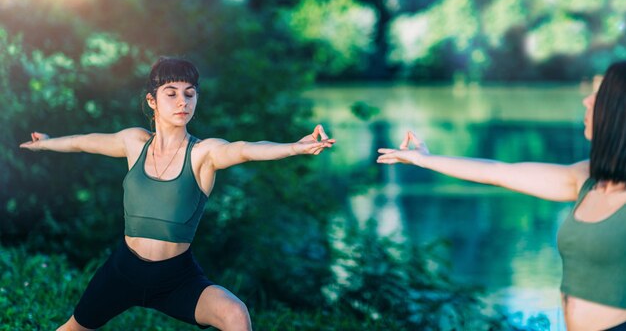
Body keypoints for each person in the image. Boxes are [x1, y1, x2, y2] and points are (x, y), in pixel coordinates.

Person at [20, 57, 335, 331]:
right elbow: (83, 141)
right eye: (171, 94)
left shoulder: (203, 154)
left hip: (176, 278)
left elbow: (246, 150)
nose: (183, 101)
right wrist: (46, 142)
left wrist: (295, 147)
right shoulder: (134, 143)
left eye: (190, 93)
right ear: (152, 101)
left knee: (234, 313)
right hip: (123, 270)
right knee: (73, 328)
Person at [377, 63, 626, 331]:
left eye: (599, 95)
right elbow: (499, 172)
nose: (586, 100)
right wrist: (425, 160)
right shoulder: (585, 179)